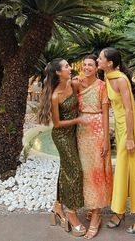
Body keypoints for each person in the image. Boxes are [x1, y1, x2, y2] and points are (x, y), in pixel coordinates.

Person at [97, 47, 135, 234]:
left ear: (109, 63)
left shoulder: (120, 79)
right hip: (120, 129)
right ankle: (119, 212)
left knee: (131, 170)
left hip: (129, 130)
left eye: (100, 58)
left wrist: (129, 138)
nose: (98, 59)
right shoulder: (108, 77)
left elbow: (129, 109)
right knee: (122, 169)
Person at [38, 58, 87, 237]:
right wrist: (79, 120)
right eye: (66, 66)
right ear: (58, 72)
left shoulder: (71, 84)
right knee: (74, 171)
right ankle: (71, 213)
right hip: (62, 136)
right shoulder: (55, 96)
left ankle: (57, 207)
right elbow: (57, 124)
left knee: (65, 170)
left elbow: (84, 86)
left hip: (74, 134)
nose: (70, 68)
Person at [73, 54, 113, 239]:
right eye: (85, 65)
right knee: (85, 171)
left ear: (96, 67)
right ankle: (90, 205)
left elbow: (106, 114)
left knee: (96, 172)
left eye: (91, 64)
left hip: (97, 131)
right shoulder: (77, 84)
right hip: (81, 132)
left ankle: (96, 216)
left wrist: (106, 139)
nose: (87, 67)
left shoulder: (102, 86)